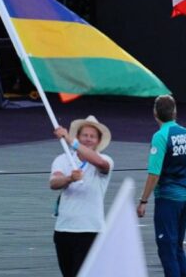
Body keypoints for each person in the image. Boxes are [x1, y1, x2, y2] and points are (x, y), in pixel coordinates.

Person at [137, 95, 186, 277]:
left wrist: (143, 201)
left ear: (155, 113)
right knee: (177, 247)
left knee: (167, 250)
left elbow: (154, 173)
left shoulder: (160, 137)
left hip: (169, 199)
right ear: (175, 112)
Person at [50, 116, 114, 277]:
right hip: (64, 228)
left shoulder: (105, 159)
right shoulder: (63, 159)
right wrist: (69, 178)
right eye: (85, 135)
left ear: (98, 141)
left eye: (92, 136)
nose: (88, 139)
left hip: (90, 229)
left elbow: (101, 164)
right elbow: (53, 182)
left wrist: (70, 140)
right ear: (79, 136)